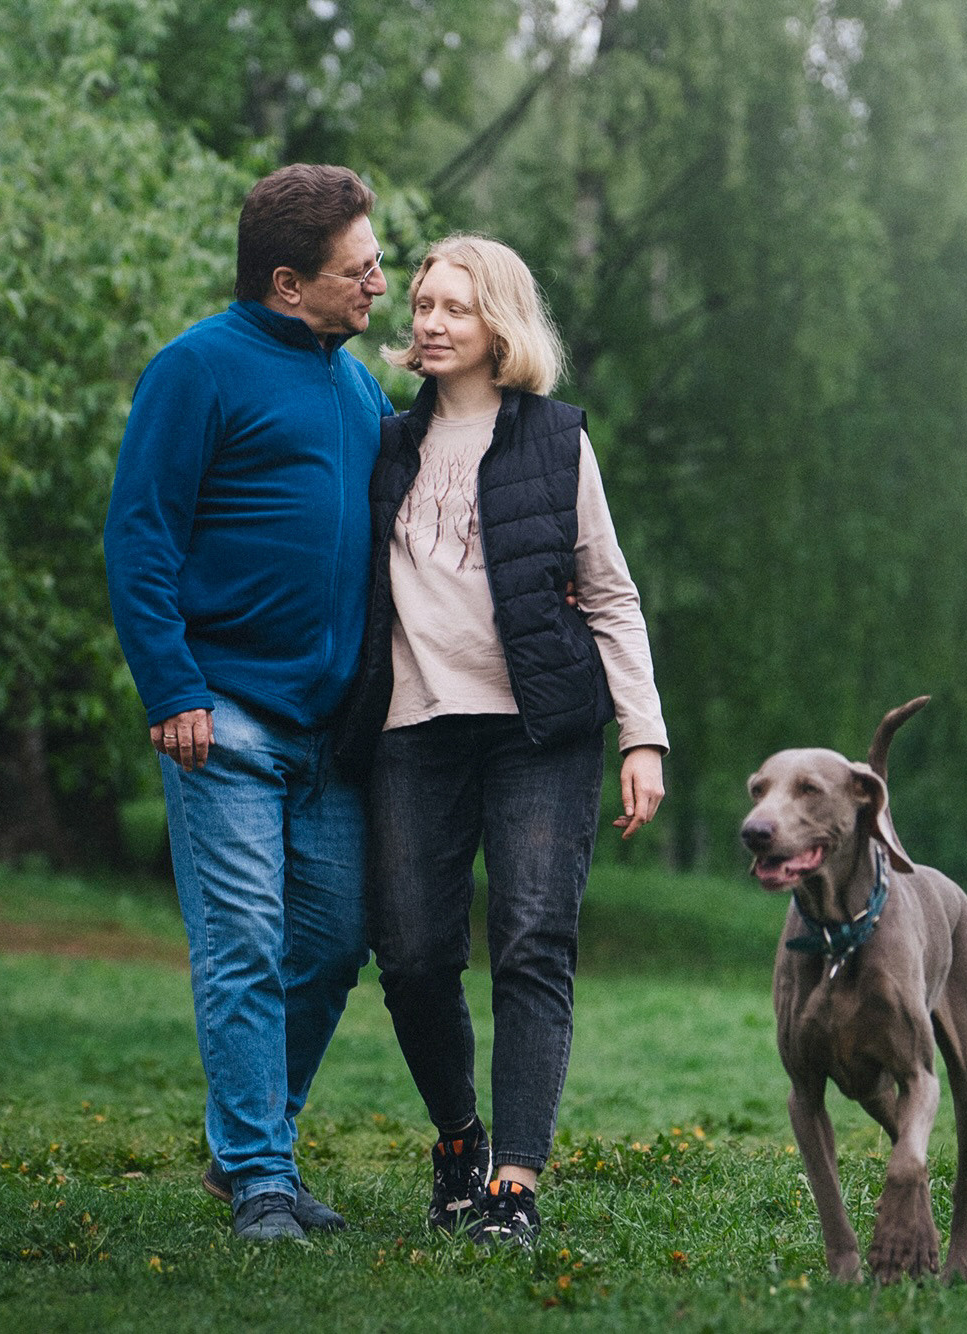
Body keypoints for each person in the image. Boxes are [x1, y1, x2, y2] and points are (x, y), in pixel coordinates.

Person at [339, 233, 667, 1248]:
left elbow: (608, 595)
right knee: (411, 953)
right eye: (422, 305)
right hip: (410, 729)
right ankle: (457, 1140)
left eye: (453, 308)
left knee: (531, 942)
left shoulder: (557, 441)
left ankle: (513, 1183)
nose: (428, 323)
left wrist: (640, 735)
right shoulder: (384, 443)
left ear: (499, 326)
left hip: (538, 732)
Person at [102, 164, 390, 1243]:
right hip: (223, 717)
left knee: (335, 938)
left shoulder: (356, 385)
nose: (377, 281)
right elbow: (139, 533)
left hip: (330, 731)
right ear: (286, 281)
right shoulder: (196, 369)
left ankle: (250, 1146)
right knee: (244, 943)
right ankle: (263, 1172)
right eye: (357, 267)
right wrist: (172, 684)